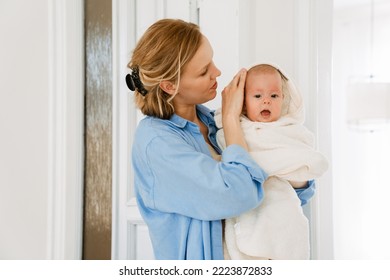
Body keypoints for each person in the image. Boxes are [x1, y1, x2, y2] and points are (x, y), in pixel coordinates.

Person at [127, 19, 316, 260]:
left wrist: (294, 173)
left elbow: (290, 197)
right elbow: (240, 194)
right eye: (204, 71)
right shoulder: (156, 144)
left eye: (212, 61)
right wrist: (230, 117)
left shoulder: (211, 122)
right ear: (169, 85)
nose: (217, 72)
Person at [214, 63, 328, 260]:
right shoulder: (235, 129)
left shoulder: (289, 130)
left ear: (283, 99)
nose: (266, 101)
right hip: (250, 207)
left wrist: (291, 170)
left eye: (274, 96)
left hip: (283, 206)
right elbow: (229, 157)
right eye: (257, 96)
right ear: (242, 102)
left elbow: (304, 161)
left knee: (285, 236)